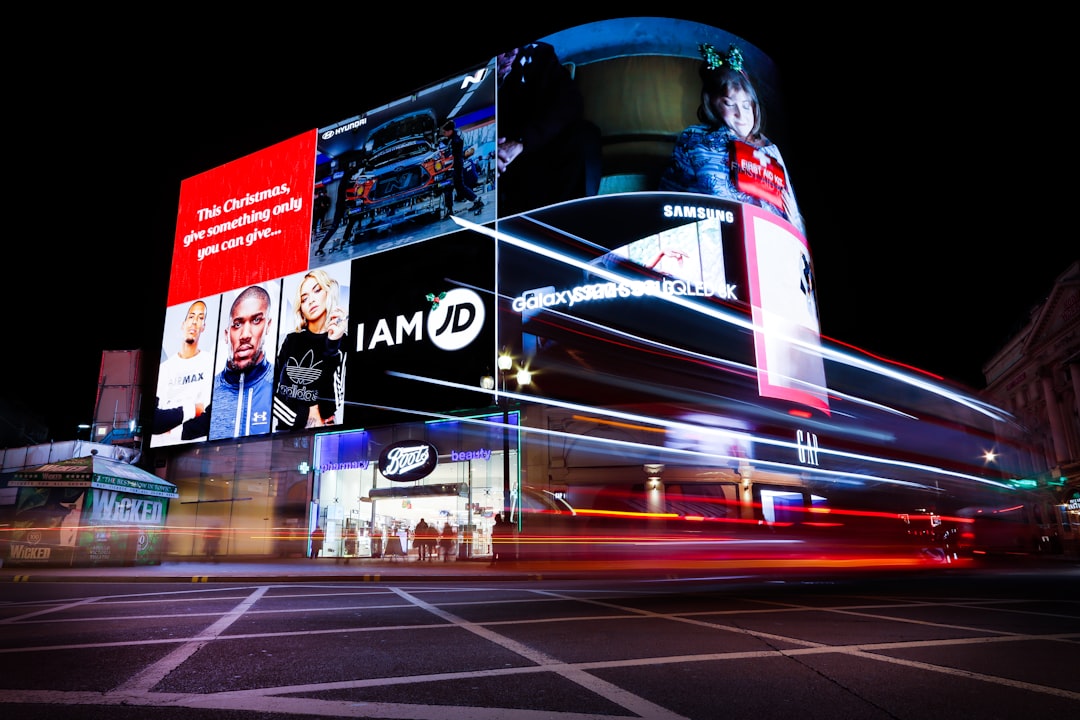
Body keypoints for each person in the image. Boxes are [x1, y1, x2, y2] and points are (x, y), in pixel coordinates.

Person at [659, 43, 804, 234]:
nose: (741, 115)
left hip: (771, 236)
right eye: (729, 104)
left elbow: (792, 209)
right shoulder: (694, 139)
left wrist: (796, 223)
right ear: (711, 101)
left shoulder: (771, 149)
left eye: (746, 105)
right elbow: (669, 198)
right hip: (713, 235)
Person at [495, 41, 601, 217]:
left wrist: (522, 142)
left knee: (585, 134)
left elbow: (569, 103)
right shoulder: (463, 79)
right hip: (492, 169)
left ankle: (570, 222)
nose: (512, 52)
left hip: (533, 154)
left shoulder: (537, 54)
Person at [187, 285, 275, 440]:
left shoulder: (281, 384)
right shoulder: (205, 390)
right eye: (237, 324)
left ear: (268, 325)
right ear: (227, 334)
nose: (245, 335)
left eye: (256, 320)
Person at [272, 270, 347, 431]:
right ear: (301, 309)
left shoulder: (341, 341)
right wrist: (302, 415)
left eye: (317, 290)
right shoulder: (291, 340)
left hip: (324, 433)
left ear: (328, 292)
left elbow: (330, 406)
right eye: (304, 299)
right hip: (285, 436)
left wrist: (332, 345)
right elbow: (267, 392)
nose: (311, 300)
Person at [153, 300, 213, 444]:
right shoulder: (165, 369)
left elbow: (210, 418)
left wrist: (172, 428)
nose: (194, 322)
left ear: (203, 327)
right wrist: (193, 409)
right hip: (160, 446)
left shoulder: (211, 362)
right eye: (191, 317)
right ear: (183, 324)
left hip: (198, 447)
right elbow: (155, 420)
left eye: (200, 318)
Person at [440, 120, 484, 215]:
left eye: (445, 132)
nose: (444, 134)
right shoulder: (456, 134)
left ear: (450, 131)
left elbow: (450, 151)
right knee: (449, 186)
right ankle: (449, 209)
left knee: (458, 186)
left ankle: (477, 200)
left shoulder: (455, 140)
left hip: (455, 164)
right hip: (453, 164)